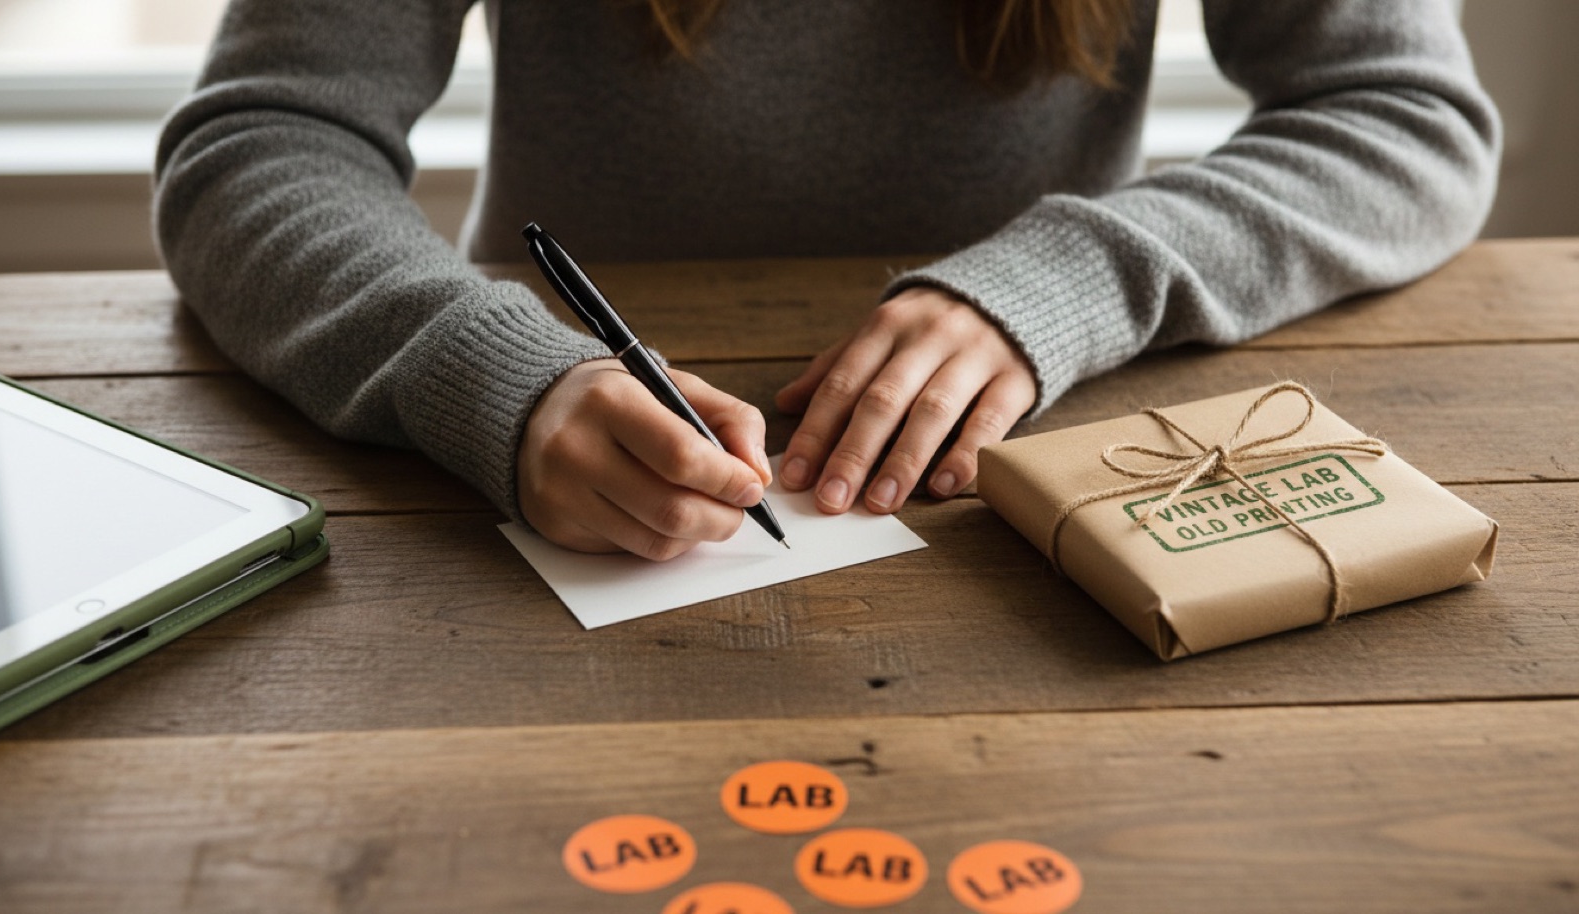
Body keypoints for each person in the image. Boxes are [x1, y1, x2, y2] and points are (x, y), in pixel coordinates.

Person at [155, 0, 1499, 561]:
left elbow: (1402, 116)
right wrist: (486, 372)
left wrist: (1068, 279)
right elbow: (263, 144)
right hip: (529, 485)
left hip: (1016, 497)